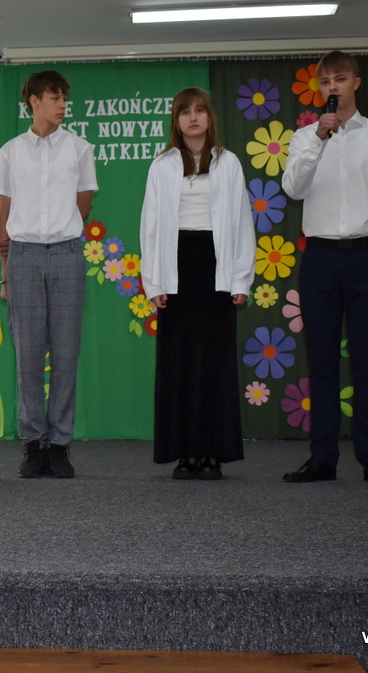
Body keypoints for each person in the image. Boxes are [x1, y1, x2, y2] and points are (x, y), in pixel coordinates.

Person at [281, 51, 368, 485]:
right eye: (325, 81)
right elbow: (292, 188)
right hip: (319, 258)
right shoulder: (305, 137)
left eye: (339, 79)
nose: (332, 87)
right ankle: (323, 457)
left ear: (355, 82)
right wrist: (318, 138)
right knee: (321, 362)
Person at [139, 88, 254, 480]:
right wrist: (154, 282)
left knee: (215, 362)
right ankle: (185, 452)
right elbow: (150, 226)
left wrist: (241, 278)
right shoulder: (162, 165)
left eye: (200, 110)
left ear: (209, 117)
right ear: (176, 120)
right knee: (180, 362)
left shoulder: (228, 162)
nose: (193, 117)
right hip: (176, 269)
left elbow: (242, 222)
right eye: (185, 111)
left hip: (216, 268)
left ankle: (213, 453)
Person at [0, 70, 98, 478]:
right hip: (22, 255)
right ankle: (33, 442)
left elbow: (83, 203)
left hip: (67, 253)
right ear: (34, 101)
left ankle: (59, 445)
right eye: (54, 97)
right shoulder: (11, 151)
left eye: (64, 98)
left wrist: (61, 230)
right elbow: (4, 208)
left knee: (66, 352)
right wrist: (5, 270)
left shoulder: (79, 148)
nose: (62, 104)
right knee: (28, 353)